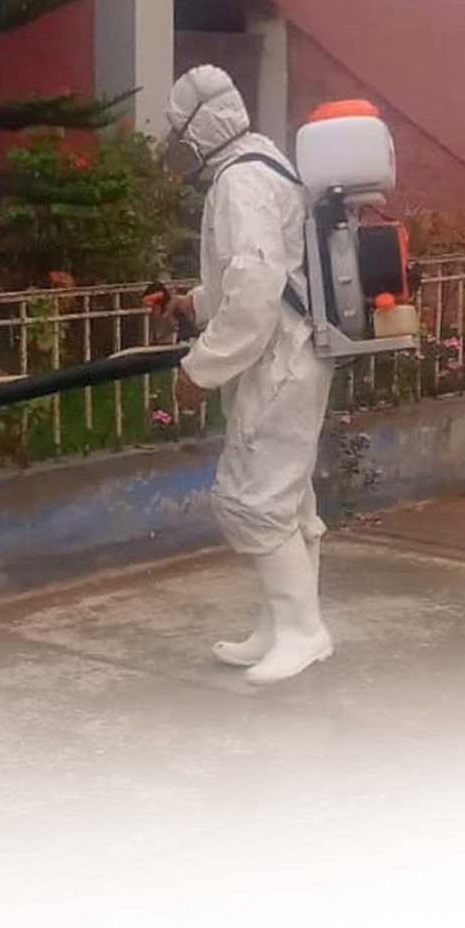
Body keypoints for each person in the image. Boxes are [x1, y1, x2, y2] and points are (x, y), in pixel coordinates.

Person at [160, 66, 336, 685]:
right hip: (290, 353)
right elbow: (256, 274)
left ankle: (303, 632)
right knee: (285, 497)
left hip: (281, 360)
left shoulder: (241, 181)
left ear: (203, 126)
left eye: (180, 131)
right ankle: (279, 625)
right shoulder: (263, 163)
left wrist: (199, 369)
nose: (178, 146)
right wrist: (196, 303)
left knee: (253, 496)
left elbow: (258, 290)